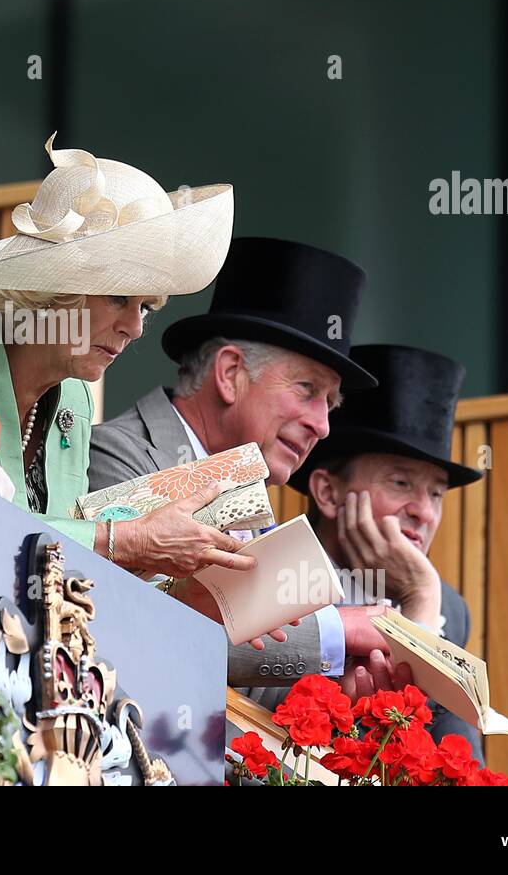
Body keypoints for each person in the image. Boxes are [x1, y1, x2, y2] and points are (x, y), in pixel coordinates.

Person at [0, 136, 245, 567]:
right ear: (55, 289)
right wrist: (125, 540)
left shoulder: (74, 396)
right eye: (119, 298)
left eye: (146, 307)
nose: (135, 328)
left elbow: (63, 561)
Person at [89, 237, 403, 691]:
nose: (323, 426)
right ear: (230, 373)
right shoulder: (119, 454)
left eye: (330, 405)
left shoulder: (250, 500)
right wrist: (338, 630)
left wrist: (340, 687)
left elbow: (245, 680)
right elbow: (148, 624)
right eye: (307, 390)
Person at [285, 343, 486, 761]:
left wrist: (423, 598)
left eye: (436, 493)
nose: (424, 511)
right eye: (400, 483)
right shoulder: (276, 576)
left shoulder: (446, 604)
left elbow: (460, 761)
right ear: (328, 492)